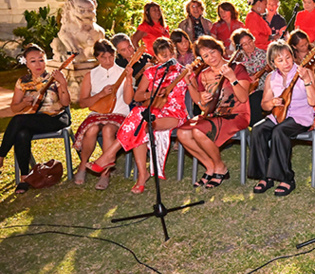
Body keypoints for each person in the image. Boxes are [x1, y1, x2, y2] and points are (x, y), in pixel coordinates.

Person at [88, 37, 189, 194]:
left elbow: (196, 94)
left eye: (170, 54)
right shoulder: (150, 72)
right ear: (155, 57)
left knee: (139, 121)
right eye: (163, 55)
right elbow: (138, 97)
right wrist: (151, 94)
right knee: (139, 121)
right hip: (154, 111)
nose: (168, 58)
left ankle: (109, 156)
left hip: (175, 114)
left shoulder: (183, 72)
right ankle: (142, 174)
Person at [178, 36, 251, 189]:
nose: (210, 57)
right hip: (213, 115)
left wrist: (233, 78)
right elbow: (202, 106)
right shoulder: (203, 75)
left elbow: (243, 98)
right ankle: (210, 166)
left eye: (212, 52)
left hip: (236, 114)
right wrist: (198, 93)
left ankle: (220, 167)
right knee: (182, 133)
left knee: (199, 131)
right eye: (205, 56)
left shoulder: (237, 68)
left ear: (219, 50)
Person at [248, 40, 315, 197]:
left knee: (279, 131)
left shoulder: (304, 72)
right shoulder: (271, 78)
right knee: (258, 130)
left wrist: (307, 81)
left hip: (301, 116)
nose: (286, 62)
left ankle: (287, 178)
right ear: (273, 63)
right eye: (280, 60)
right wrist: (272, 102)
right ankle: (265, 176)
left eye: (288, 57)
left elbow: (313, 102)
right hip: (279, 115)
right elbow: (264, 106)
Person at [0, 44, 71, 194]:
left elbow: (65, 103)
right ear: (26, 63)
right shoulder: (23, 82)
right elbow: (14, 108)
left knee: (19, 121)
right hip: (34, 120)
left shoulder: (54, 77)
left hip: (56, 118)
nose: (38, 64)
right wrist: (23, 103)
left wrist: (63, 83)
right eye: (33, 61)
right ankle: (25, 178)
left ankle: (0, 156)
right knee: (22, 133)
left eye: (41, 60)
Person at [74, 39, 130, 190]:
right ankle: (83, 166)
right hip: (97, 114)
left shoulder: (122, 73)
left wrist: (129, 80)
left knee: (108, 129)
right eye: (103, 57)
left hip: (119, 113)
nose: (108, 61)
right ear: (97, 58)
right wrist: (100, 94)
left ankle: (105, 173)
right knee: (92, 130)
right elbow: (83, 103)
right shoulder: (90, 75)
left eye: (111, 56)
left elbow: (128, 100)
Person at [232, 28, 268, 126]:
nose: (249, 45)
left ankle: (256, 128)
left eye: (250, 41)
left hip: (261, 88)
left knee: (254, 99)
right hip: (244, 89)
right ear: (240, 47)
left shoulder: (264, 54)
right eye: (245, 44)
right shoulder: (237, 58)